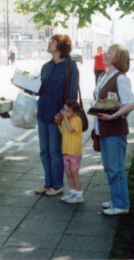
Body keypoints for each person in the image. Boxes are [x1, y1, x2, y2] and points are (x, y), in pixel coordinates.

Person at [94, 44, 134, 215]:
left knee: (116, 168)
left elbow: (131, 103)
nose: (105, 54)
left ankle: (121, 205)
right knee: (109, 168)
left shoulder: (121, 78)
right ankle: (116, 199)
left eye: (110, 52)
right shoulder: (104, 75)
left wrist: (113, 116)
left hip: (114, 129)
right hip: (103, 129)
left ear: (118, 58)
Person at [35, 34, 78, 196]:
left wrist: (65, 116)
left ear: (61, 46)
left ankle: (58, 185)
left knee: (54, 151)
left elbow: (72, 95)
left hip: (57, 117)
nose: (49, 43)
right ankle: (48, 183)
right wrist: (24, 83)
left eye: (52, 41)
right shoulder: (46, 66)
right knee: (44, 151)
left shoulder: (70, 66)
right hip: (43, 113)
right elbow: (41, 90)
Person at [55, 100, 84, 203]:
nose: (64, 113)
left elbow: (70, 129)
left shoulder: (76, 120)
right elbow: (64, 132)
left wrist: (65, 118)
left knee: (74, 173)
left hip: (74, 152)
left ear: (75, 113)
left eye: (68, 111)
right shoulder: (66, 120)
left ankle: (79, 194)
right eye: (64, 110)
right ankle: (72, 191)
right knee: (68, 173)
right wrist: (59, 123)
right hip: (66, 151)